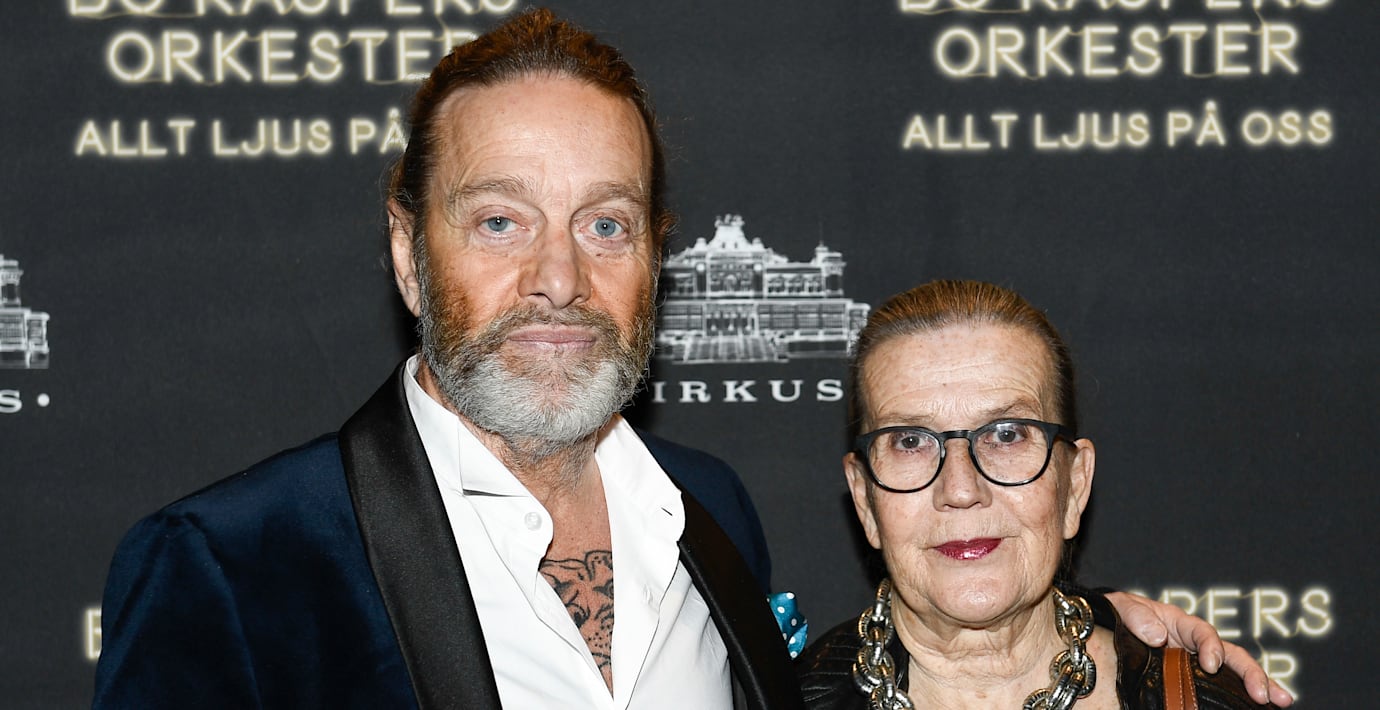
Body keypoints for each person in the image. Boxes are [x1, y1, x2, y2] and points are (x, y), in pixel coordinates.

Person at [93, 10, 1286, 710]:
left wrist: (1101, 635)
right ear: (409, 253)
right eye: (500, 220)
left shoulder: (709, 516)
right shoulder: (228, 567)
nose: (559, 277)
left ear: (654, 257)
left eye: (605, 224)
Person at [797, 280, 1283, 709]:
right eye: (910, 441)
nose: (961, 489)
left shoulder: (1202, 699)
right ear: (864, 498)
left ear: (1075, 484)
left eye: (1006, 434)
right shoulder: (783, 698)